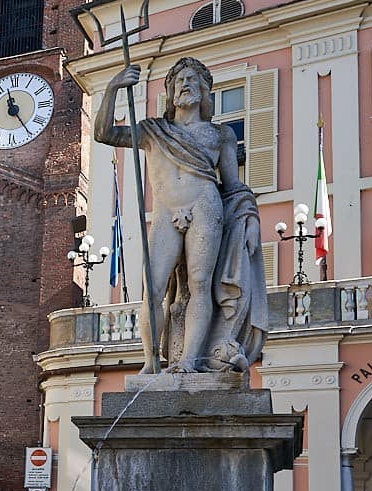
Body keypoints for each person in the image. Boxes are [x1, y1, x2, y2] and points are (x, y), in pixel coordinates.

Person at [97, 59, 266, 373]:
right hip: (165, 211)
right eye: (178, 81)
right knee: (154, 288)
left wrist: (250, 217)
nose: (185, 85)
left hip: (205, 206)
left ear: (203, 92)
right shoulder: (153, 130)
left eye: (192, 80)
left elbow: (232, 185)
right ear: (171, 93)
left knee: (200, 285)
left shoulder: (220, 135)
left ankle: (188, 360)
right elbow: (104, 133)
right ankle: (151, 360)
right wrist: (113, 87)